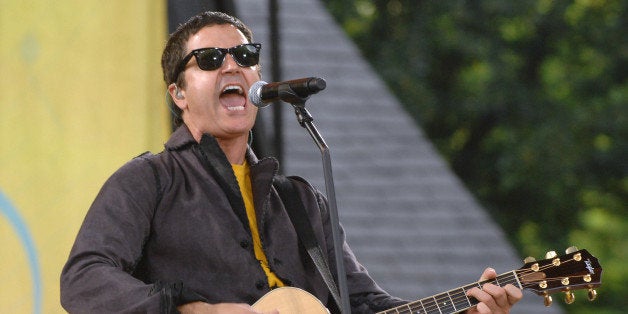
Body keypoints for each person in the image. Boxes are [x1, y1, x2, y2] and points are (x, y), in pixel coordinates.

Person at [60, 11, 523, 314]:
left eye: (244, 55)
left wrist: (465, 307)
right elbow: (82, 281)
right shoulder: (148, 181)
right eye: (208, 58)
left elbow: (363, 305)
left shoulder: (301, 202)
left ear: (258, 77)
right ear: (178, 93)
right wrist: (190, 308)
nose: (231, 66)